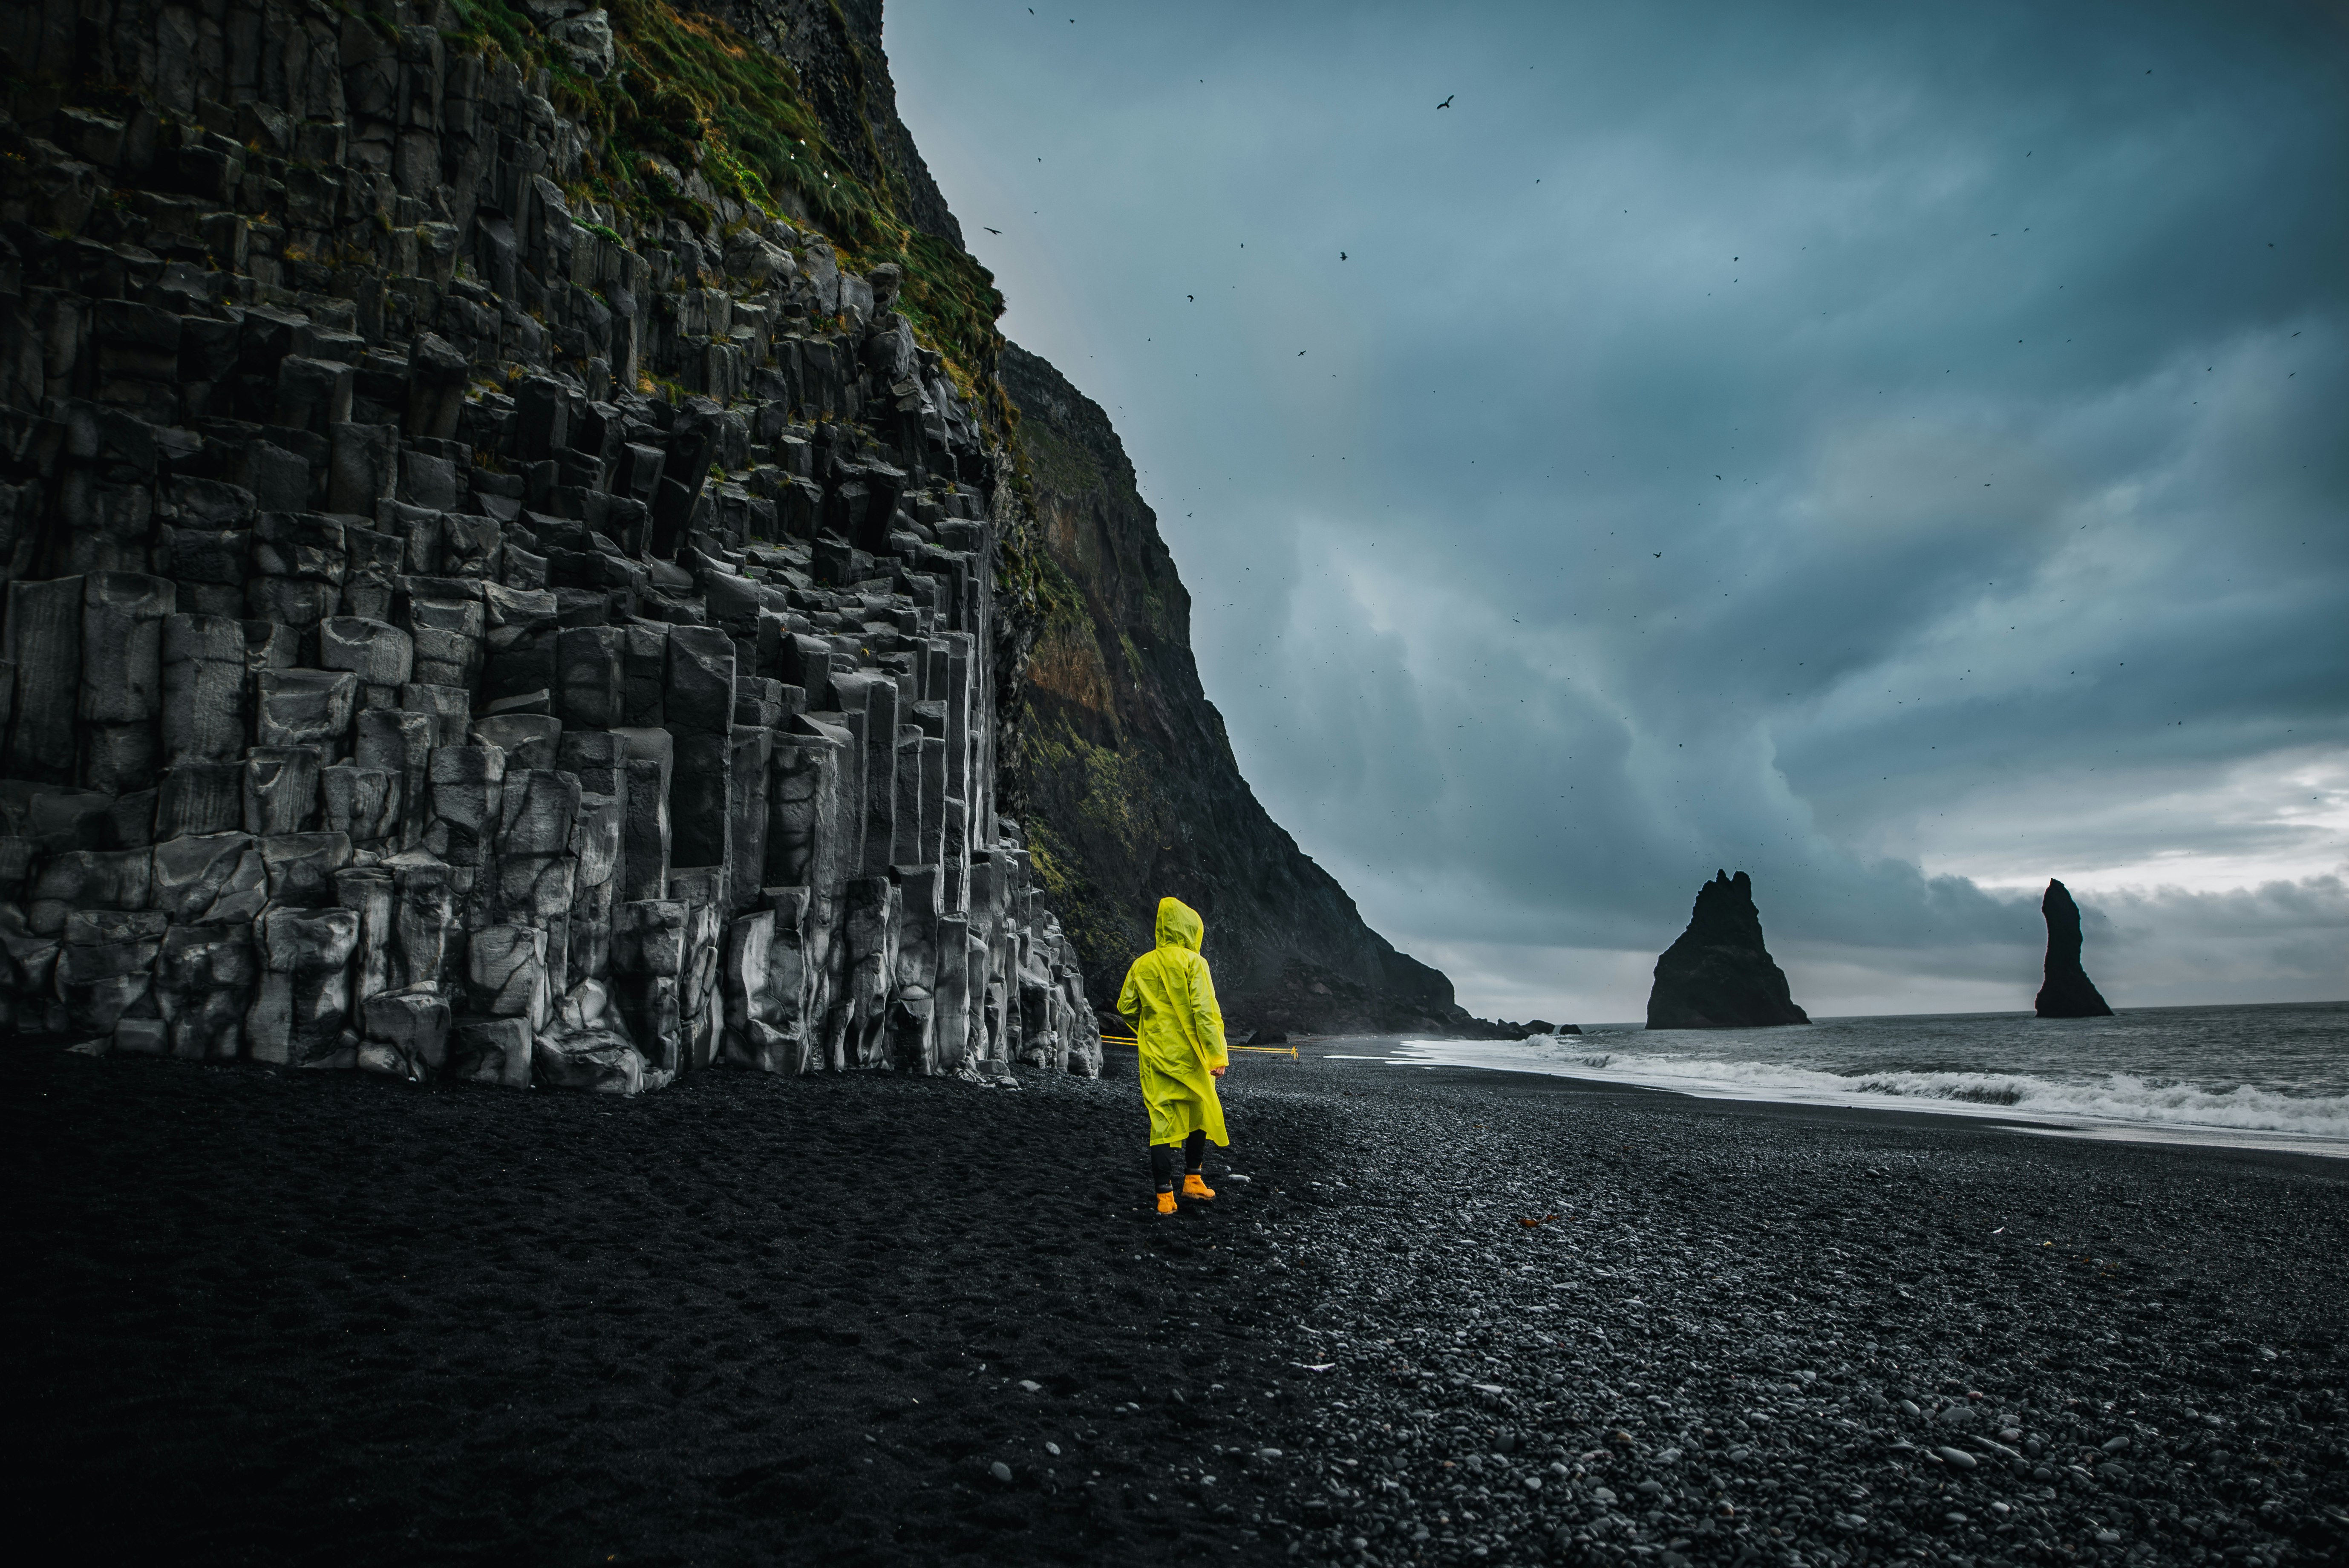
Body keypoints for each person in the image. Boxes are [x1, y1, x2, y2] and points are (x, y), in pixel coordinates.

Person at [1116, 896, 1230, 1216]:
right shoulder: (1194, 963)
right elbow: (1205, 1013)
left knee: (1161, 1121)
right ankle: (1193, 1180)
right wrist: (1216, 1056)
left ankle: (1164, 1197)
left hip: (1154, 1055)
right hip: (1192, 1056)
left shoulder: (1142, 964)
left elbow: (1126, 1007)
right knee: (1200, 1112)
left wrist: (1151, 1027)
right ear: (1191, 929)